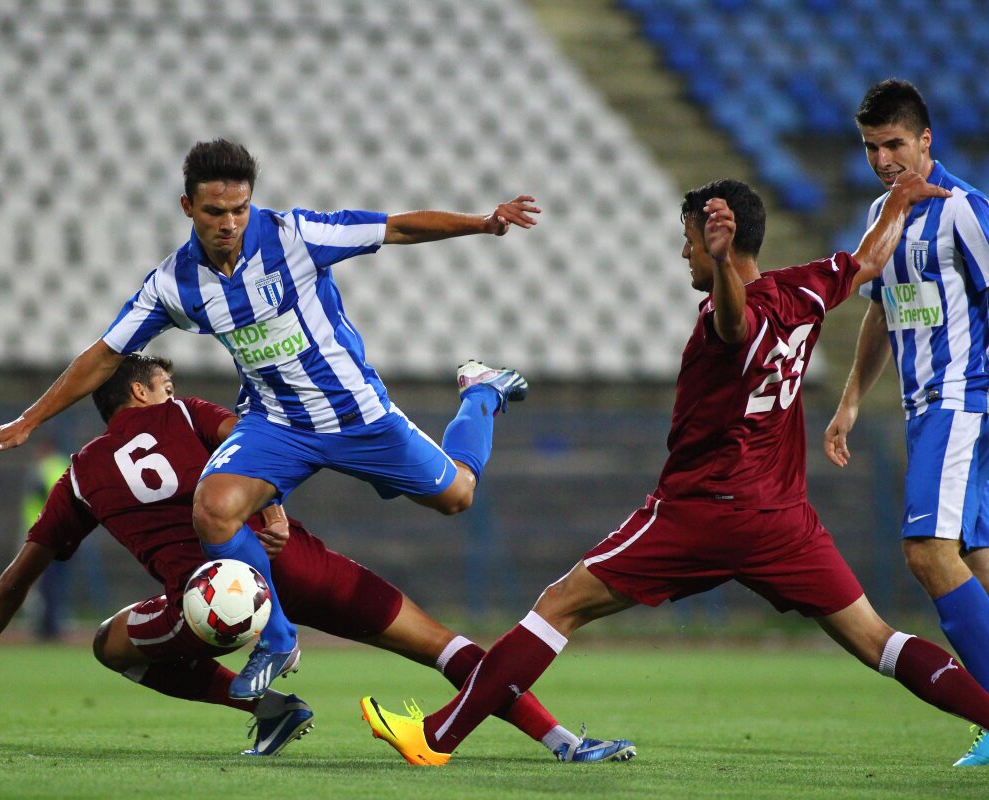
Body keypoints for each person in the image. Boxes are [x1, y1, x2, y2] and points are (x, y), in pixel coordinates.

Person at [356, 176, 989, 768]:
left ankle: (436, 738)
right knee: (879, 640)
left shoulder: (728, 313)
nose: (683, 253)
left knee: (559, 605)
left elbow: (736, 322)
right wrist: (902, 200)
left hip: (700, 511)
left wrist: (718, 265)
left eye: (690, 241)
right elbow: (870, 261)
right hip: (782, 521)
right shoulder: (806, 288)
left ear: (724, 242)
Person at [0, 139, 538, 698]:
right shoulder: (174, 284)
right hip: (277, 423)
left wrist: (483, 222)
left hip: (356, 413)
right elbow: (104, 356)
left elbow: (397, 227)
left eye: (240, 209)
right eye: (215, 211)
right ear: (187, 207)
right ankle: (278, 638)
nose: (229, 222)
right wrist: (29, 420)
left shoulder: (294, 235)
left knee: (457, 495)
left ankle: (481, 394)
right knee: (214, 508)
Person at [0, 354, 633, 762]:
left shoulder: (82, 474)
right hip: (293, 560)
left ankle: (269, 706)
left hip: (213, 604)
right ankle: (565, 742)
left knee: (109, 644)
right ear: (137, 392)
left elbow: (19, 574)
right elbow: (256, 441)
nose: (172, 391)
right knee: (443, 645)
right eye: (164, 382)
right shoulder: (185, 416)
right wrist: (271, 509)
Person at [821, 79, 989, 767]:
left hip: (964, 400)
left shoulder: (965, 211)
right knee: (976, 560)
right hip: (926, 408)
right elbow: (882, 311)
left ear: (926, 140)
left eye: (895, 144)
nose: (884, 159)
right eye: (871, 147)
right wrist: (853, 399)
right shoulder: (881, 215)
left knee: (926, 552)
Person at [20, 439, 71, 640]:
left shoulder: (44, 469)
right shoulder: (64, 466)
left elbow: (47, 500)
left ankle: (47, 628)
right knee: (55, 582)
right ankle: (52, 624)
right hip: (65, 534)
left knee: (46, 583)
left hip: (46, 536)